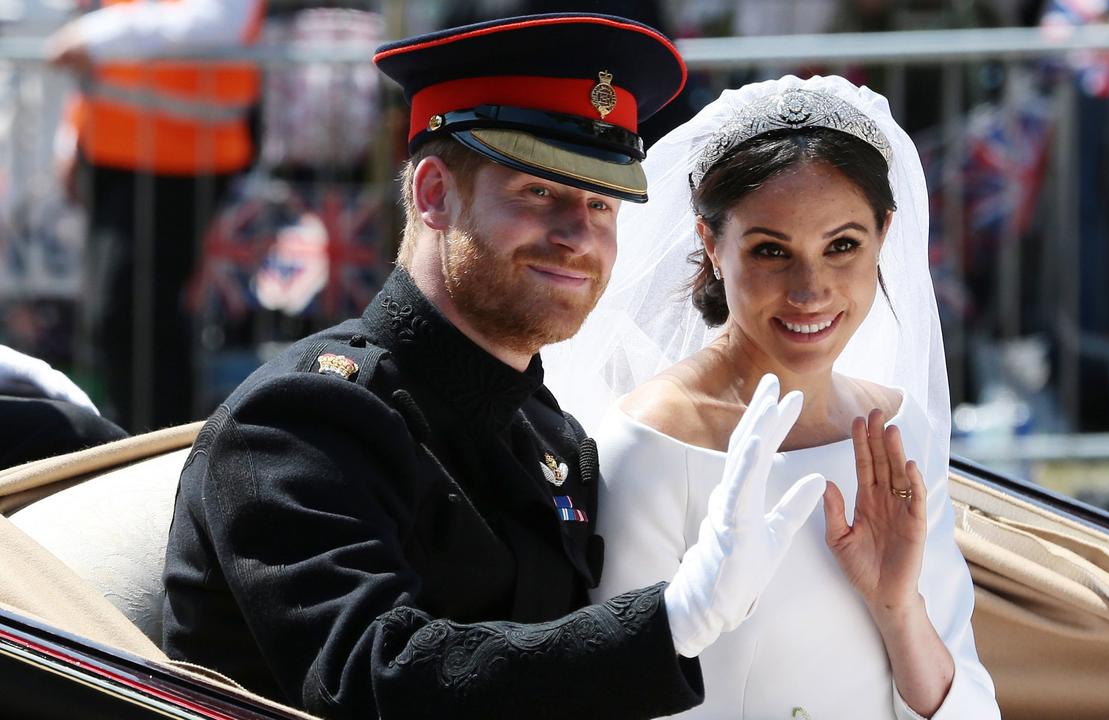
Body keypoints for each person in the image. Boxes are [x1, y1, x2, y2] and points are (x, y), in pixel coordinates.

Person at [161, 15, 828, 719]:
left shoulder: (550, 434)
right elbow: (371, 680)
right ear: (433, 194)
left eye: (602, 204)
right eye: (539, 193)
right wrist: (674, 620)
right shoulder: (302, 423)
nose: (579, 237)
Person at [543, 75, 1001, 718]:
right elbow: (625, 695)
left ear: (883, 236)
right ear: (711, 244)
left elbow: (970, 701)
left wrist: (899, 610)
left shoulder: (899, 430)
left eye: (842, 245)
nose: (810, 290)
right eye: (770, 251)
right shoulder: (651, 443)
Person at [45, 0, 264, 431]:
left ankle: (157, 456)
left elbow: (218, 21)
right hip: (115, 155)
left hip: (183, 161)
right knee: (118, 319)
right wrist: (73, 133)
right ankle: (136, 448)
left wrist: (97, 34)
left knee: (141, 318)